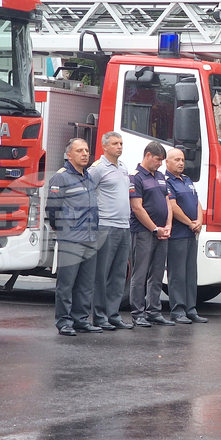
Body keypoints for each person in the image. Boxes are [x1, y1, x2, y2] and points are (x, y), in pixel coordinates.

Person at [46, 138, 100, 336]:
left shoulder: (88, 177)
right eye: (79, 151)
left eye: (86, 150)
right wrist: (62, 229)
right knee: (66, 283)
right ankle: (64, 322)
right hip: (71, 238)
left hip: (90, 237)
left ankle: (81, 319)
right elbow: (52, 209)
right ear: (69, 155)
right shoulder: (61, 178)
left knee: (85, 283)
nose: (85, 154)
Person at [87, 132, 134, 331]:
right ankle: (99, 316)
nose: (119, 147)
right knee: (102, 273)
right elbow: (87, 194)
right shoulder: (97, 169)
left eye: (121, 143)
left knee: (118, 274)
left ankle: (113, 315)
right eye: (115, 143)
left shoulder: (123, 167)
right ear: (104, 146)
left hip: (124, 226)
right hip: (106, 226)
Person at [129, 141, 174, 327]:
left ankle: (153, 311)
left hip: (162, 232)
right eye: (158, 159)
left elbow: (168, 203)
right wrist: (155, 229)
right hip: (143, 232)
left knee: (156, 273)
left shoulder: (161, 176)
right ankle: (137, 313)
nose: (160, 164)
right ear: (147, 155)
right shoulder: (136, 177)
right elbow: (137, 208)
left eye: (162, 160)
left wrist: (168, 225)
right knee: (140, 273)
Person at [165, 148, 207, 324]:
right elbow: (173, 207)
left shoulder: (187, 180)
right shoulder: (167, 181)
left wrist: (199, 220)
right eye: (176, 160)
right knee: (177, 274)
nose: (181, 163)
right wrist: (190, 223)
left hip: (191, 234)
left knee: (191, 273)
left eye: (182, 160)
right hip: (178, 234)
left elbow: (197, 202)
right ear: (167, 162)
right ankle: (178, 310)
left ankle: (191, 309)